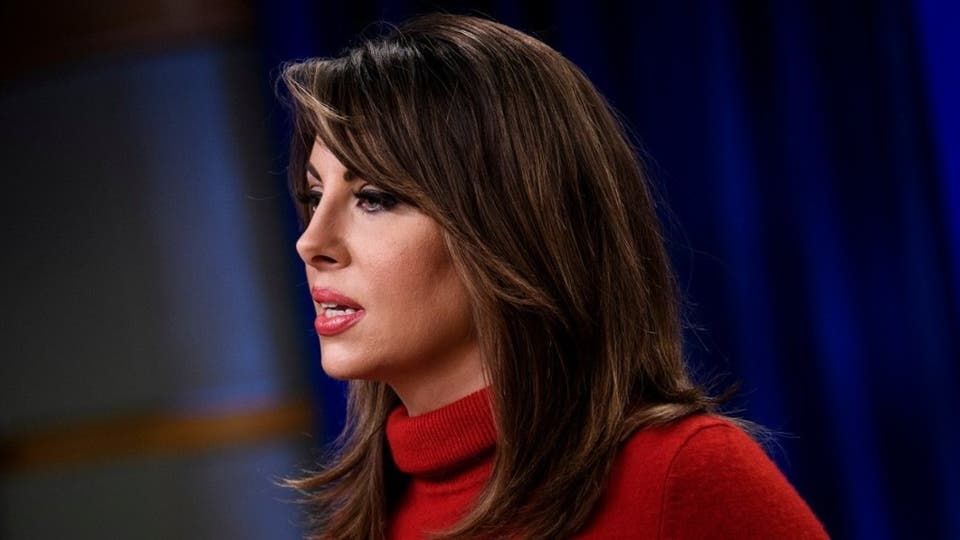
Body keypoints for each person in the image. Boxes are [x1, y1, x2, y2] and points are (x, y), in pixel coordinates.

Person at [280, 13, 828, 540]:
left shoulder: (684, 478)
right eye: (314, 195)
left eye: (374, 198)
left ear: (509, 226)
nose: (311, 243)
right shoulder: (354, 528)